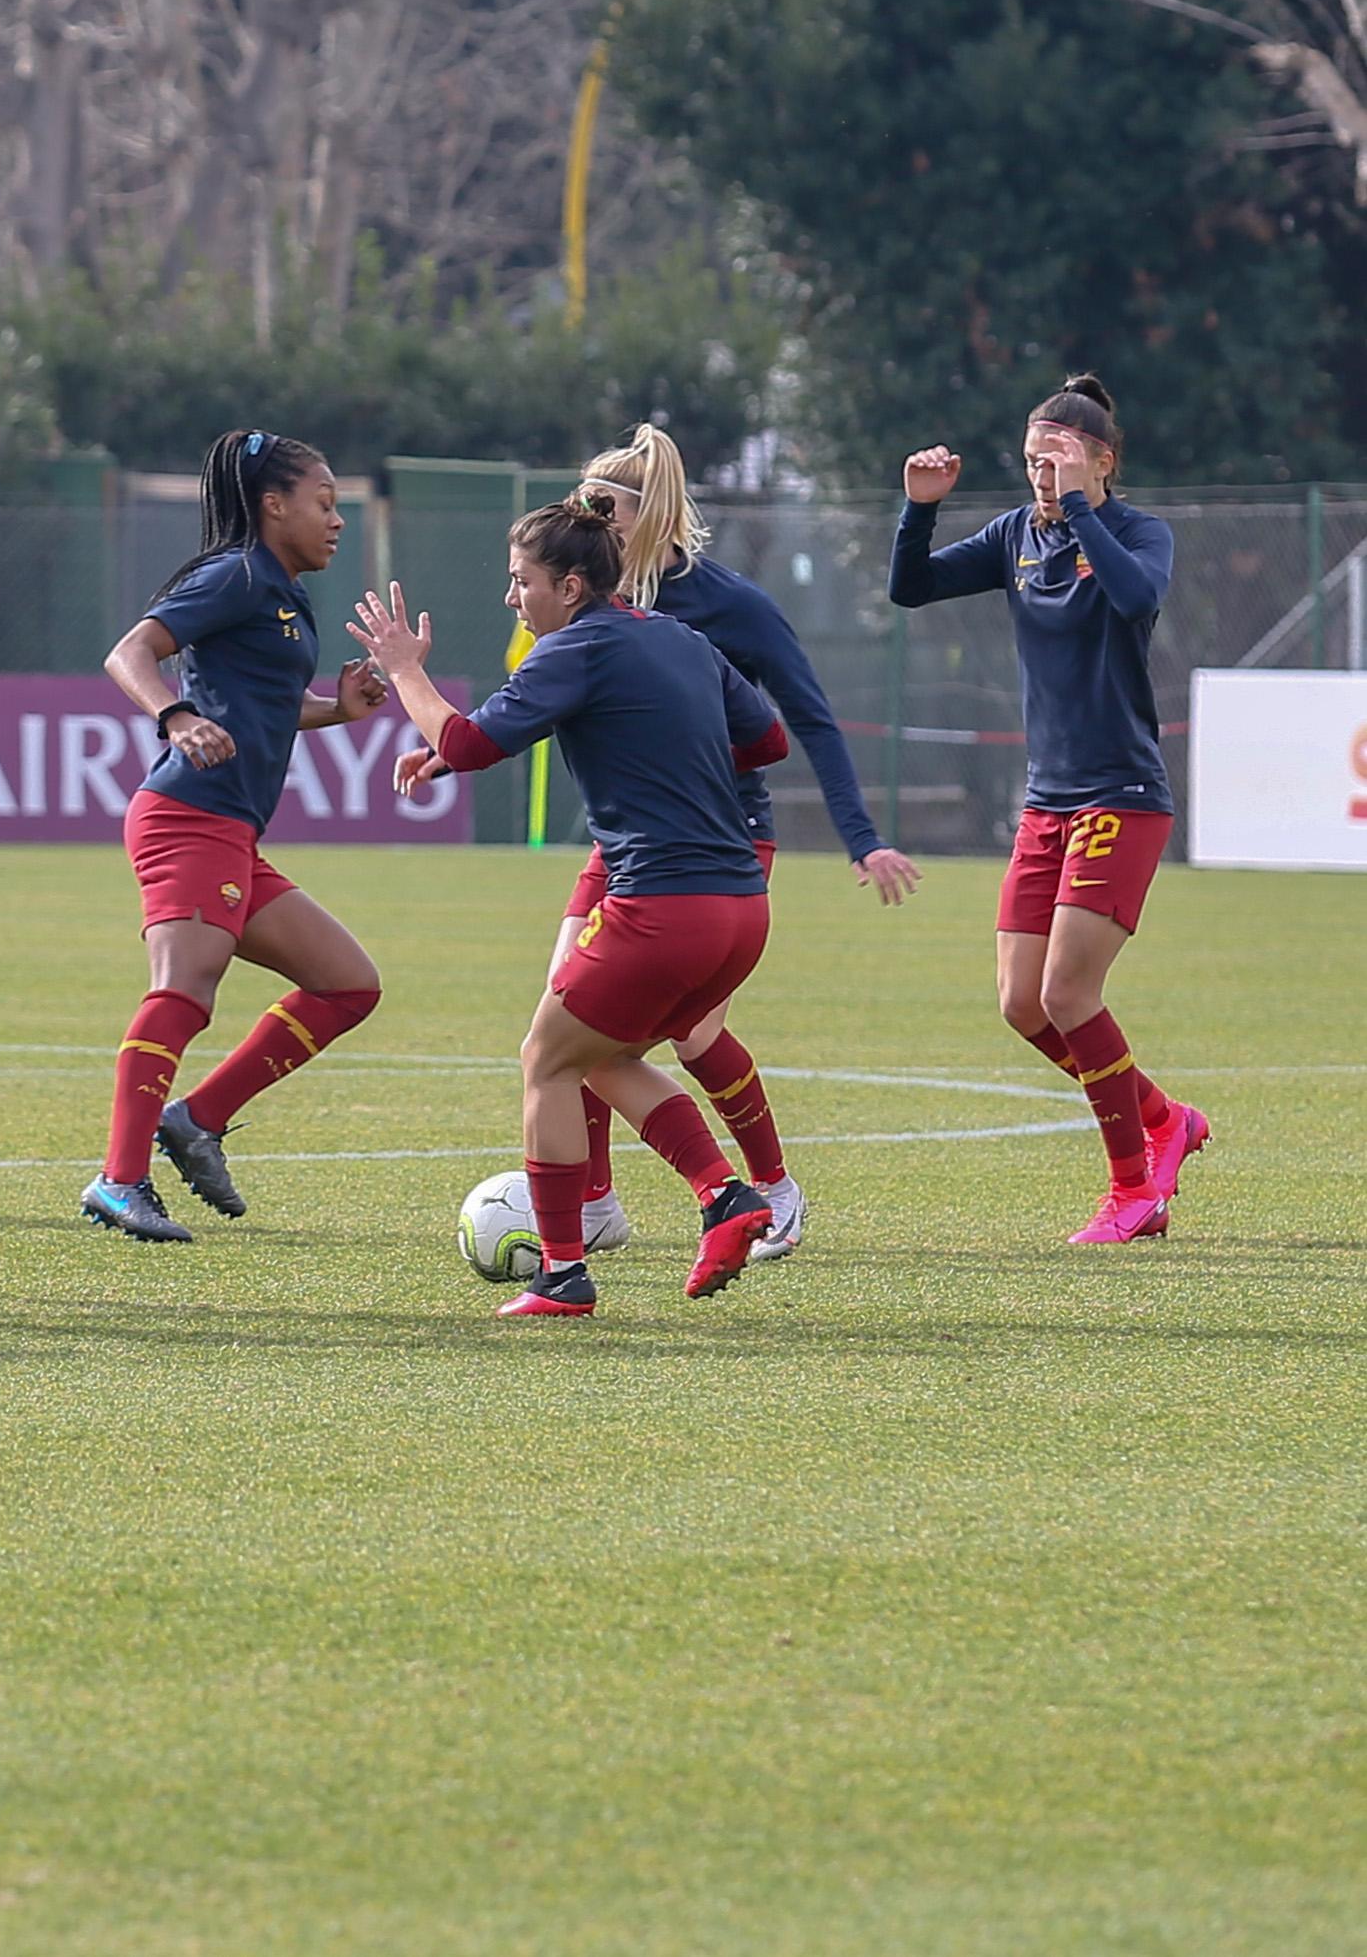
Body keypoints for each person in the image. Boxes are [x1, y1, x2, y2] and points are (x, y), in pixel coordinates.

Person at [353, 497, 794, 1320]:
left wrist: (404, 668)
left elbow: (466, 745)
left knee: (544, 1059)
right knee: (603, 1056)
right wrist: (664, 744)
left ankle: (561, 1275)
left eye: (520, 582)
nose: (510, 598)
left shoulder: (575, 650)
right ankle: (723, 1197)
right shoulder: (678, 639)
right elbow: (765, 741)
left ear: (567, 585)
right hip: (740, 908)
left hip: (661, 906)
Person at [554, 424, 923, 1267]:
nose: (585, 522)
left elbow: (811, 721)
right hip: (629, 842)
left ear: (648, 515)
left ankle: (774, 1190)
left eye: (599, 508)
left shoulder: (731, 605)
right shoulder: (593, 604)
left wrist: (860, 839)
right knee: (567, 1006)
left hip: (723, 842)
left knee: (689, 1035)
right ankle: (596, 1202)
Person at [889, 376, 1205, 1244]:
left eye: (1057, 459)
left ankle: (1134, 1191)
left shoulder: (1136, 531)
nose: (1040, 475)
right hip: (1047, 800)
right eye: (1030, 460)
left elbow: (1136, 599)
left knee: (1069, 992)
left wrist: (1080, 510)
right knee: (1021, 1005)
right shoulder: (1013, 535)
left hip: (1121, 796)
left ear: (1102, 460)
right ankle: (1163, 1118)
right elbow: (909, 588)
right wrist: (919, 508)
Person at [82, 429, 393, 1244]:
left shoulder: (280, 591)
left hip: (228, 834)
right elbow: (130, 653)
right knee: (185, 987)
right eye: (323, 503)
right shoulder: (236, 575)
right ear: (272, 504)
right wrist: (173, 716)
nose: (335, 520)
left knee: (347, 984)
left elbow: (259, 704)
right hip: (187, 817)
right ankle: (119, 1180)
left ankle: (196, 1119)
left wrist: (337, 709)